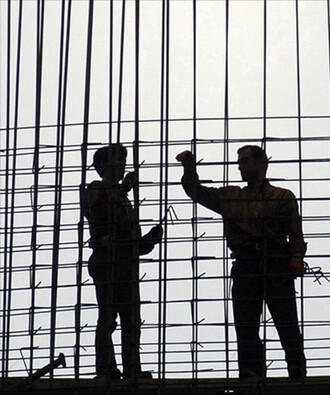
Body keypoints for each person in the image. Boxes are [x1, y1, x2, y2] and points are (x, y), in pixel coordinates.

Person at [177, 145, 307, 379]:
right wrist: (189, 168)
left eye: (245, 161)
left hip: (275, 259)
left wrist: (297, 257)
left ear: (261, 164)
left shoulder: (282, 196)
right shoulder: (232, 195)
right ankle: (251, 371)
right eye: (239, 161)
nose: (240, 166)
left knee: (285, 317)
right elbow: (197, 191)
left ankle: (296, 367)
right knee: (246, 321)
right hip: (245, 260)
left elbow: (295, 232)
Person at [81, 143, 162, 380]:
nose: (123, 165)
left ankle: (132, 370)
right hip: (106, 259)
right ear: (103, 165)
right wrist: (123, 190)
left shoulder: (123, 200)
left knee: (132, 319)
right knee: (108, 316)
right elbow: (97, 215)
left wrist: (148, 240)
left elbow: (129, 241)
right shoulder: (96, 189)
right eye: (118, 160)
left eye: (123, 160)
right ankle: (106, 369)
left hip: (125, 260)